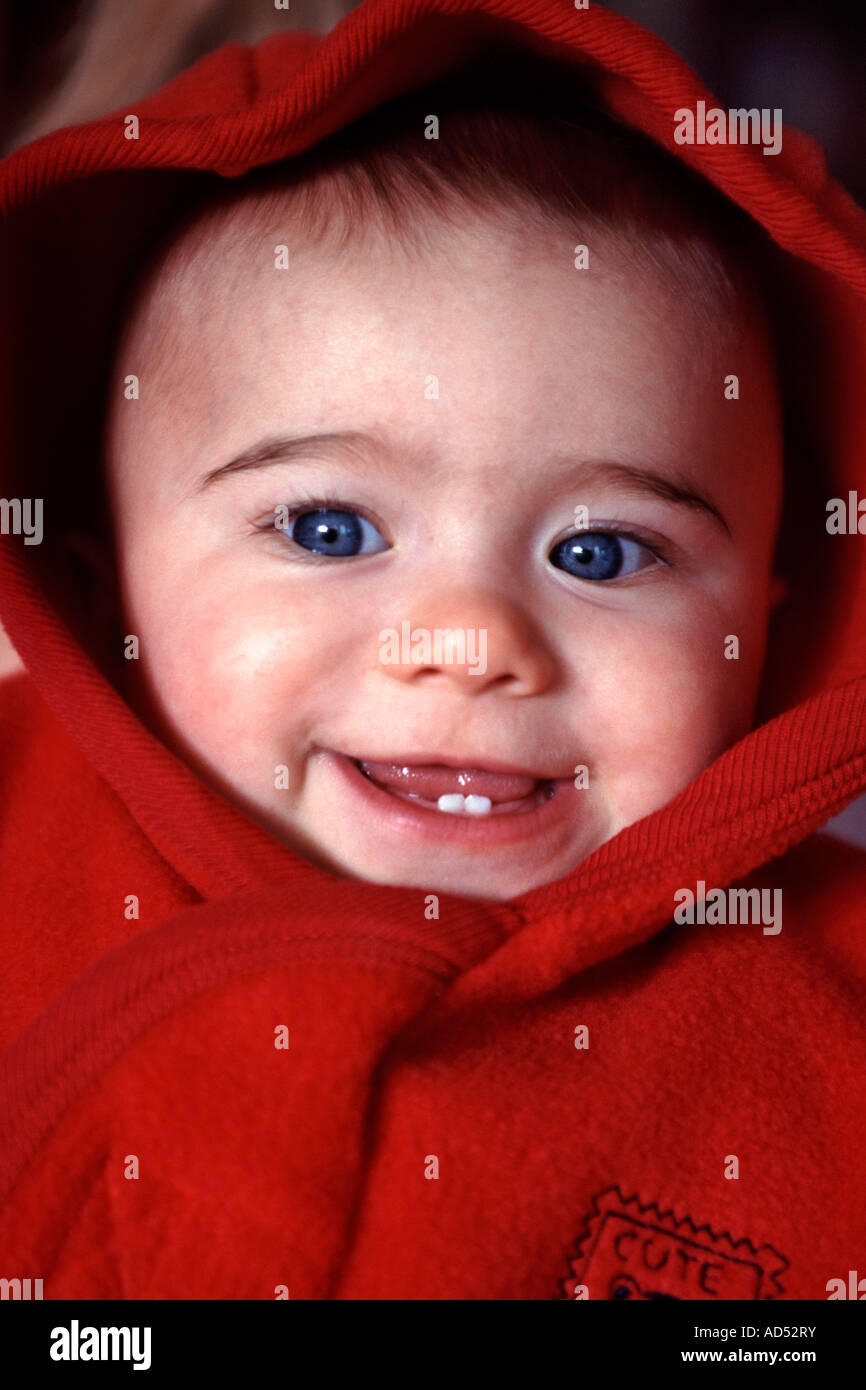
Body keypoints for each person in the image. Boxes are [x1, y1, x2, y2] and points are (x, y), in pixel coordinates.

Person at [0, 0, 864, 1300]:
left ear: (772, 612)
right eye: (329, 525)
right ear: (105, 575)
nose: (467, 641)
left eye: (602, 552)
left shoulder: (823, 1021)